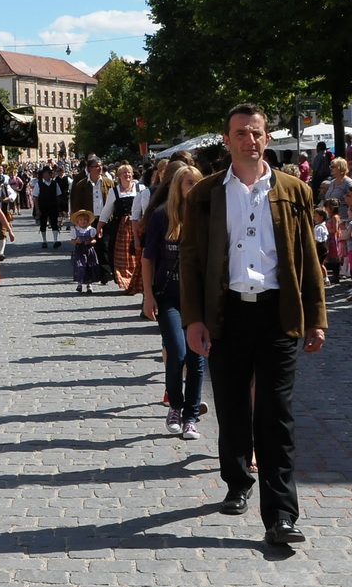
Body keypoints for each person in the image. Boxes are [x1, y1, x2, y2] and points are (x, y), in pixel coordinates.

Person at [181, 104, 327, 547]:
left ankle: (281, 514)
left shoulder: (294, 190)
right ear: (227, 140)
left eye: (257, 133)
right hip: (226, 314)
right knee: (231, 406)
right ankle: (237, 479)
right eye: (241, 133)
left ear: (267, 137)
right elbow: (191, 263)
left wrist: (316, 318)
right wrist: (193, 320)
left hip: (277, 313)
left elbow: (308, 259)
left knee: (276, 414)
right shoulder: (205, 194)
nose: (250, 140)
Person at [140, 162, 204, 439]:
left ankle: (191, 416)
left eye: (196, 182)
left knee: (197, 357)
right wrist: (148, 296)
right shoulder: (161, 217)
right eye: (189, 182)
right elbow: (148, 258)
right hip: (168, 296)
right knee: (177, 353)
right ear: (178, 186)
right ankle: (175, 407)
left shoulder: (206, 215)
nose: (193, 187)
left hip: (199, 300)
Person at [103, 164, 142, 293]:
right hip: (121, 228)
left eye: (129, 172)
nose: (128, 175)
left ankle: (137, 282)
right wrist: (99, 227)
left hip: (137, 225)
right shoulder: (114, 191)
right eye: (124, 173)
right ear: (119, 176)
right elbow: (107, 211)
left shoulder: (140, 188)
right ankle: (126, 282)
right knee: (123, 256)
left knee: (137, 254)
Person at [34, 165, 66, 248]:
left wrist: (59, 207)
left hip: (53, 206)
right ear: (44, 174)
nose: (50, 174)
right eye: (49, 172)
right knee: (43, 223)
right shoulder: (39, 184)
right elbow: (36, 197)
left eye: (51, 172)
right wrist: (37, 209)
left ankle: (56, 240)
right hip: (43, 206)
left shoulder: (55, 183)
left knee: (54, 223)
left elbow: (59, 195)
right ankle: (44, 241)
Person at [70, 208, 101, 293]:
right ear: (77, 221)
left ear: (88, 221)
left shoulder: (91, 230)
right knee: (80, 266)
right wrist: (76, 241)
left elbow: (94, 240)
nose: (83, 222)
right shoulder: (75, 230)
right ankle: (79, 283)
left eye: (85, 220)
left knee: (89, 266)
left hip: (89, 250)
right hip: (80, 250)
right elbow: (72, 241)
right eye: (81, 220)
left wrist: (90, 241)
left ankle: (89, 285)